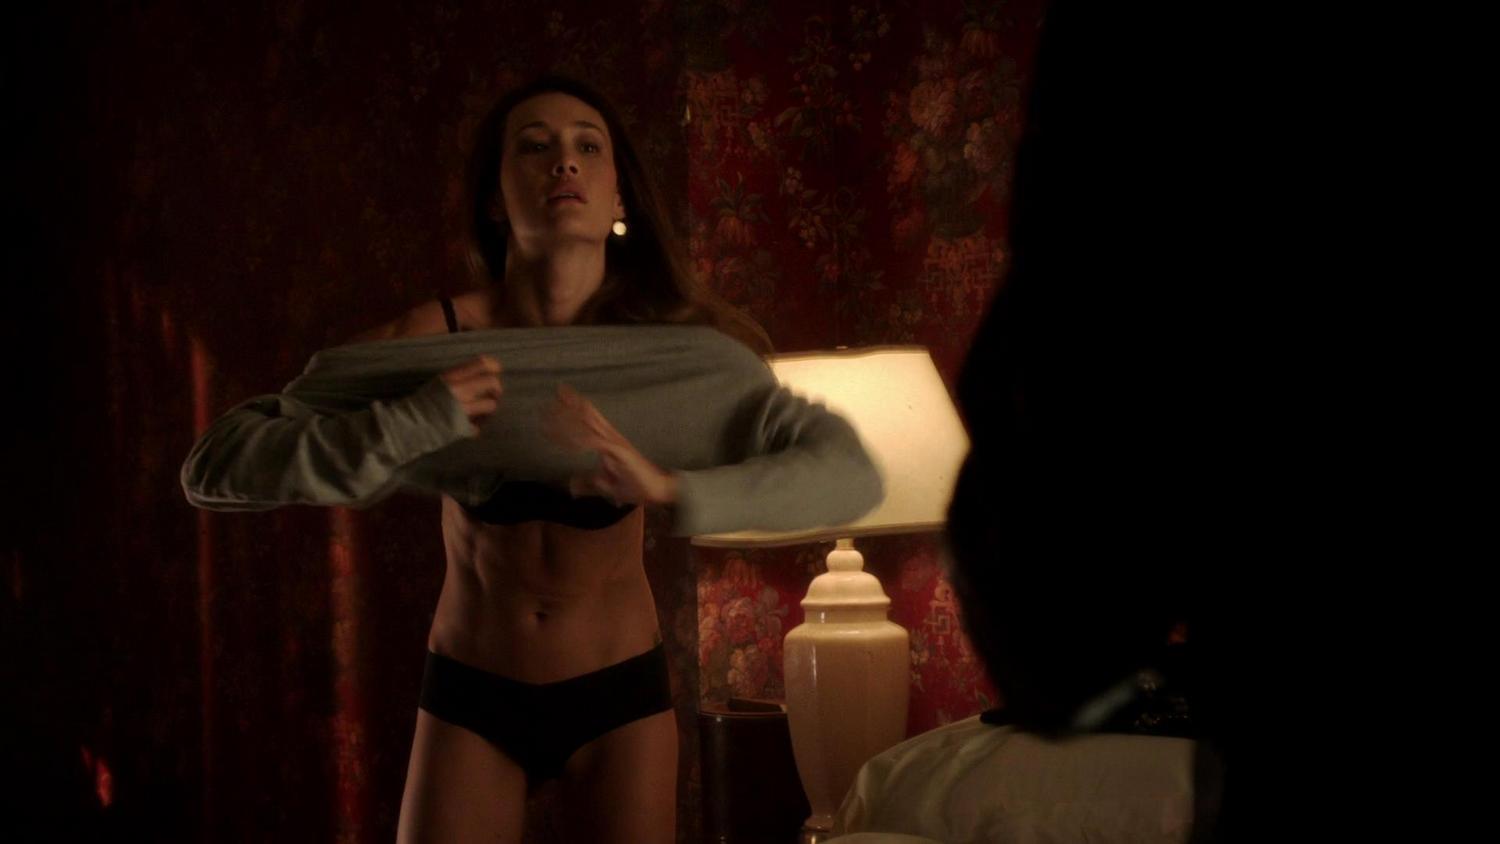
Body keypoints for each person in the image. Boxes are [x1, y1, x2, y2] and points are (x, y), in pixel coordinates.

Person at [181, 75, 882, 843]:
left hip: (619, 698)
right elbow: (218, 466)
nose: (564, 162)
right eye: (535, 146)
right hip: (472, 695)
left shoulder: (682, 361)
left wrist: (674, 487)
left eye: (588, 146)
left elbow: (850, 470)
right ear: (494, 198)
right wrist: (410, 424)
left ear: (619, 199)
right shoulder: (429, 345)